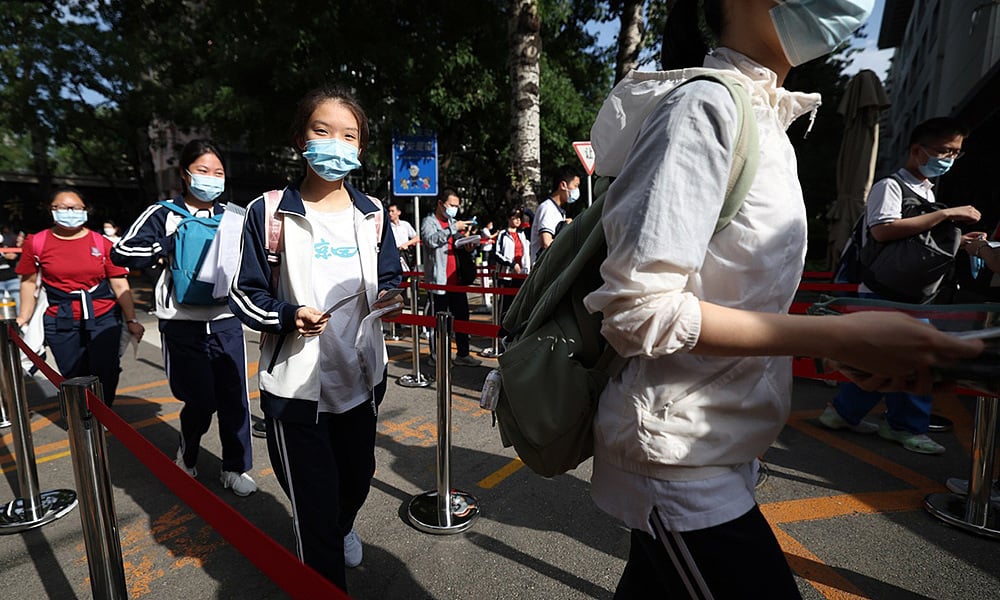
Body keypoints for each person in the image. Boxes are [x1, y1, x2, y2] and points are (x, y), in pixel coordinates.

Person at [580, 1, 982, 598]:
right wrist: (836, 337)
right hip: (681, 457)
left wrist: (843, 349)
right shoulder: (706, 106)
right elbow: (639, 310)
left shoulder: (763, 116)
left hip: (715, 445)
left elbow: (731, 292)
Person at [228, 84, 403, 591]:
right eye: (321, 131)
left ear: (361, 149)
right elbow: (246, 293)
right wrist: (287, 316)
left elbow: (390, 276)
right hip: (295, 390)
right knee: (313, 510)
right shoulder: (268, 213)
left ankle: (343, 524)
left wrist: (390, 298)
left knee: (357, 478)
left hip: (362, 381)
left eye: (349, 136)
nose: (335, 144)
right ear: (301, 139)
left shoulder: (372, 214)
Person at [820, 117, 975, 455]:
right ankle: (905, 426)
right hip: (884, 290)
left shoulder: (927, 190)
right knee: (917, 358)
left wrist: (961, 241)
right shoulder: (890, 185)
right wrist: (946, 216)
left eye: (956, 153)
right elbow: (883, 230)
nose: (949, 159)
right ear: (918, 151)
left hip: (905, 291)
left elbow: (918, 239)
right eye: (944, 151)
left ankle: (842, 414)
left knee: (885, 358)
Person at [112, 139, 256, 497]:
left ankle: (235, 468)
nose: (211, 178)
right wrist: (166, 243)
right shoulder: (162, 213)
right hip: (181, 322)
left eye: (218, 172)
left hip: (225, 318)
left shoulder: (234, 215)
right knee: (200, 399)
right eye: (203, 171)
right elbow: (123, 251)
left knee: (235, 398)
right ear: (185, 173)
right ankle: (187, 453)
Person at [15, 188, 144, 405]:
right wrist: (23, 317)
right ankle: (82, 418)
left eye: (76, 207)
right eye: (62, 208)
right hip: (60, 318)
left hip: (103, 316)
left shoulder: (101, 242)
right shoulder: (36, 242)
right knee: (73, 374)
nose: (69, 212)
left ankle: (103, 412)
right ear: (51, 210)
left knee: (106, 369)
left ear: (85, 210)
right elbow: (28, 283)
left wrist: (131, 319)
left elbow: (119, 282)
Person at [421, 188, 481, 367]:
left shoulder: (453, 222)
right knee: (438, 322)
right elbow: (430, 241)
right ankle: (437, 356)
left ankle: (463, 354)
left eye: (456, 206)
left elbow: (458, 243)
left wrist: (468, 245)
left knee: (462, 318)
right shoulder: (429, 222)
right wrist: (453, 228)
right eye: (451, 205)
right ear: (440, 204)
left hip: (456, 281)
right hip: (438, 282)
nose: (454, 209)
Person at [529, 165, 580, 264]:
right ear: (563, 185)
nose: (576, 190)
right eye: (575, 186)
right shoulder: (547, 208)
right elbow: (546, 242)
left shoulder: (558, 211)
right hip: (543, 270)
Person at [493, 207, 530, 319]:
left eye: (520, 217)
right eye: (515, 218)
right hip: (507, 274)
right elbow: (497, 254)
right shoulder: (503, 234)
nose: (518, 220)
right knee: (506, 303)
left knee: (519, 301)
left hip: (522, 273)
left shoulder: (523, 234)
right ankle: (502, 326)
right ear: (509, 219)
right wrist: (512, 264)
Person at [388, 201, 419, 270]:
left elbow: (416, 238)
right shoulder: (387, 226)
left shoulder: (405, 225)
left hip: (404, 253)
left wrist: (406, 244)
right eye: (389, 211)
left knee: (405, 273)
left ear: (399, 212)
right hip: (392, 253)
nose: (390, 214)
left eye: (393, 211)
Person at [0, 228, 22, 309]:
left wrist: (14, 255)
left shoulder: (9, 245)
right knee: (2, 307)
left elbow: (17, 257)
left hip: (12, 278)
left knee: (18, 302)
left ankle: (19, 321)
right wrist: (4, 257)